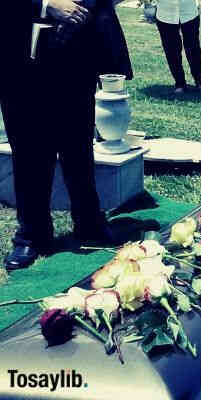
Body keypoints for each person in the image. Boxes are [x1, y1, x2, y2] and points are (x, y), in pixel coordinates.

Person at [0, 0, 133, 270]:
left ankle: (89, 222)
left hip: (78, 42)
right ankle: (32, 234)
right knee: (27, 146)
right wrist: (46, 4)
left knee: (78, 141)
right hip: (20, 44)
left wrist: (82, 8)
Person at [155, 0, 201, 94]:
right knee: (171, 50)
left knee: (193, 48)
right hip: (165, 14)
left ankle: (199, 81)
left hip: (189, 12)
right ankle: (179, 83)